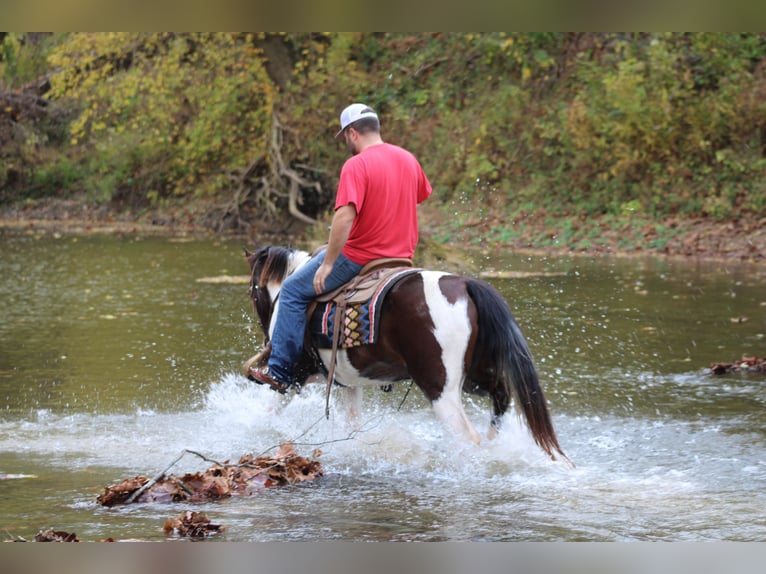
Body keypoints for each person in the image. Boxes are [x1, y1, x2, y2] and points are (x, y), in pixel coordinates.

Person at [248, 103, 432, 393]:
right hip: (401, 258)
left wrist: (329, 262)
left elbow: (344, 216)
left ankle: (280, 371)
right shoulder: (408, 159)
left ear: (353, 132)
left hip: (362, 257)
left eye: (345, 136)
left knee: (294, 291)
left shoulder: (357, 165)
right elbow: (417, 196)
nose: (346, 142)